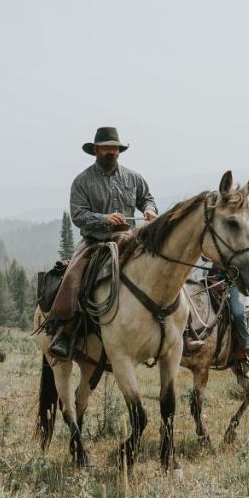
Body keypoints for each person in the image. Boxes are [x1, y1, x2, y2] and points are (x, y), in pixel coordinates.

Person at [47, 126, 158, 360]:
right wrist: (104, 219)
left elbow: (147, 198)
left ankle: (170, 328)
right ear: (96, 150)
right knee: (73, 276)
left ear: (119, 151)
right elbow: (78, 215)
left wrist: (149, 210)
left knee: (159, 267)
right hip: (94, 242)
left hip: (129, 238)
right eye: (106, 148)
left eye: (114, 148)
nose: (110, 152)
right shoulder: (82, 181)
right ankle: (65, 333)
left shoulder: (133, 177)